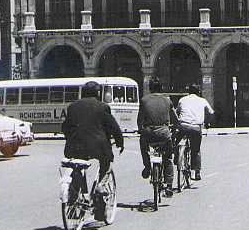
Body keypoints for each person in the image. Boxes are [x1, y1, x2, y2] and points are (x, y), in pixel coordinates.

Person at [62, 81, 124, 221]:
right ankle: (101, 187)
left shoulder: (72, 107)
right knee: (106, 164)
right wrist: (119, 142)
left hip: (75, 147)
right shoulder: (102, 107)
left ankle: (75, 199)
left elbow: (65, 128)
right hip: (98, 147)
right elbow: (113, 127)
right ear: (98, 93)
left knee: (77, 168)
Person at [138, 80, 178, 197]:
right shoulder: (167, 100)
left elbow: (140, 119)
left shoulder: (144, 100)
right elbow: (175, 119)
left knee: (143, 144)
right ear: (161, 88)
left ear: (150, 88)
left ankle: (147, 166)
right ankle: (169, 185)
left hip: (149, 133)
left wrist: (140, 129)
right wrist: (175, 127)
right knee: (168, 158)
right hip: (164, 133)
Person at [175, 84, 214, 180]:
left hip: (183, 126)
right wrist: (207, 122)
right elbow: (211, 113)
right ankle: (197, 172)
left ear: (189, 92)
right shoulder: (202, 100)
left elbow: (177, 112)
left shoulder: (182, 100)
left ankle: (177, 157)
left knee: (176, 142)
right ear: (199, 92)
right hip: (196, 128)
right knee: (196, 150)